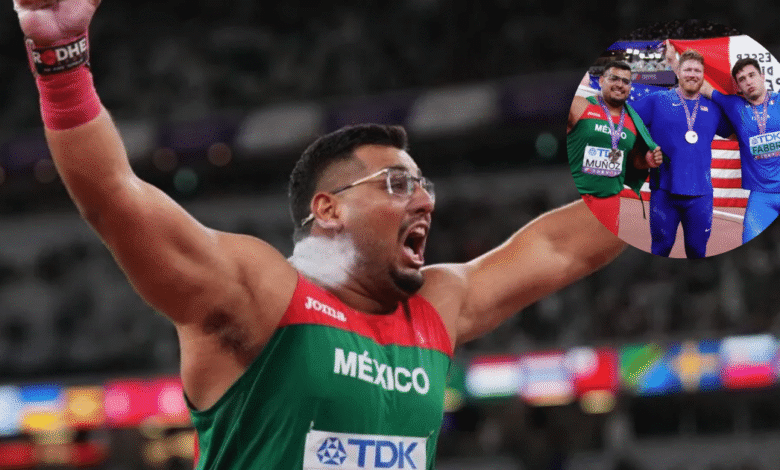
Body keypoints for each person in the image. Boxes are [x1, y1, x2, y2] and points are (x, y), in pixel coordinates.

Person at [13, 1, 626, 469]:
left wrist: (671, 176)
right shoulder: (260, 294)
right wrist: (62, 61)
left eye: (424, 186)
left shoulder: (437, 304)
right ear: (328, 209)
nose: (424, 200)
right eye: (395, 184)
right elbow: (117, 199)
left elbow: (559, 247)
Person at [672, 41, 780, 243]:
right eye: (742, 79)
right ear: (737, 87)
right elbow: (698, 83)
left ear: (762, 77)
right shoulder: (734, 105)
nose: (748, 81)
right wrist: (673, 60)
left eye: (751, 75)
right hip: (761, 197)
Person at [630, 49, 733, 258]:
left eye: (697, 70)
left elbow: (735, 132)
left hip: (701, 195)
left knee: (697, 251)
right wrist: (641, 155)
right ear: (678, 72)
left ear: (703, 75)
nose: (692, 74)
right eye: (687, 69)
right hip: (664, 192)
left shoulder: (713, 108)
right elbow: (625, 120)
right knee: (660, 249)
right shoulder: (657, 100)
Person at [567, 60, 664, 236]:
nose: (620, 85)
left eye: (625, 82)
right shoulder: (580, 105)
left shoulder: (634, 122)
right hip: (577, 197)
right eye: (614, 79)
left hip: (610, 203)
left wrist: (647, 161)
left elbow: (633, 162)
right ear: (602, 80)